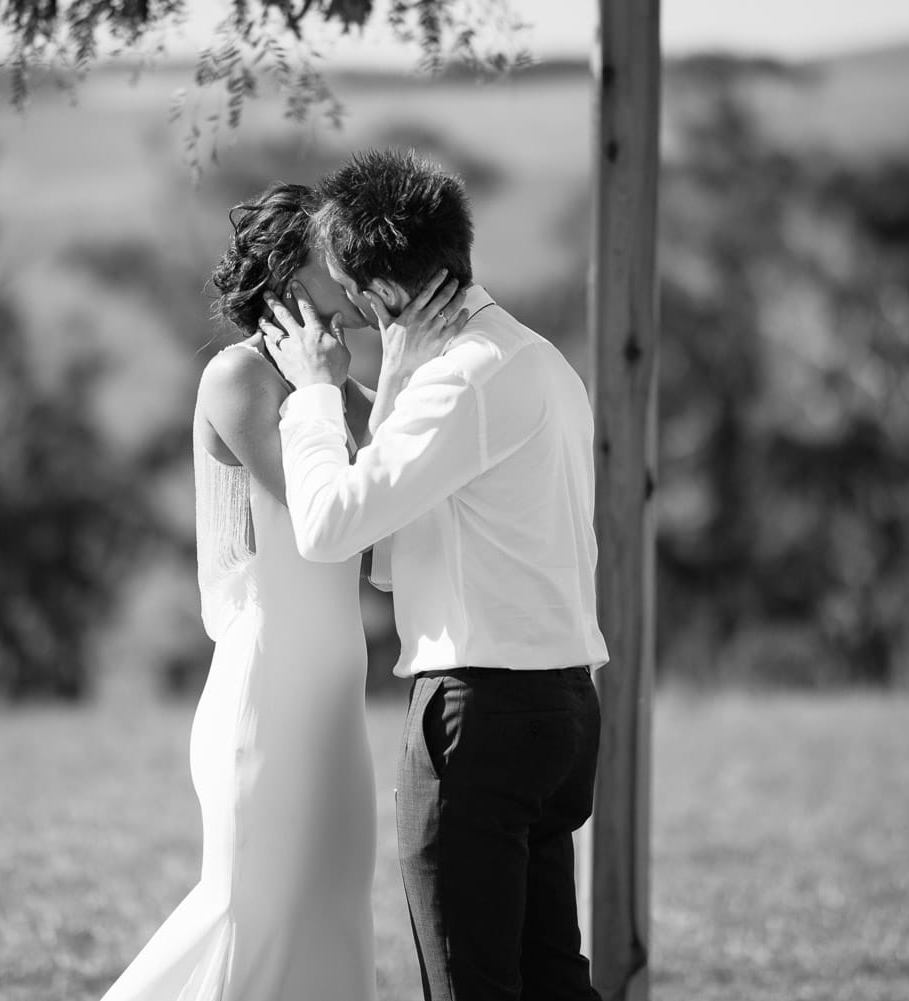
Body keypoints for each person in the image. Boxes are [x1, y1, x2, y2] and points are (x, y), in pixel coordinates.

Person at [96, 181, 465, 1001]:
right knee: (246, 916)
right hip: (265, 696)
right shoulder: (237, 378)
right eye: (334, 255)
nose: (353, 268)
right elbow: (324, 520)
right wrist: (351, 385)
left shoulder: (335, 382)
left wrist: (396, 364)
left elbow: (391, 497)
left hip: (333, 701)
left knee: (330, 919)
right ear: (291, 273)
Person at [262, 149, 611, 1001]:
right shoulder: (533, 359)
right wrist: (391, 383)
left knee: (467, 986)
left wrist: (313, 394)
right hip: (559, 703)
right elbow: (395, 557)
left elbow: (332, 525)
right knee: (550, 983)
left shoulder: (461, 382)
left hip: (479, 712)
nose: (338, 307)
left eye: (344, 289)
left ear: (379, 293)